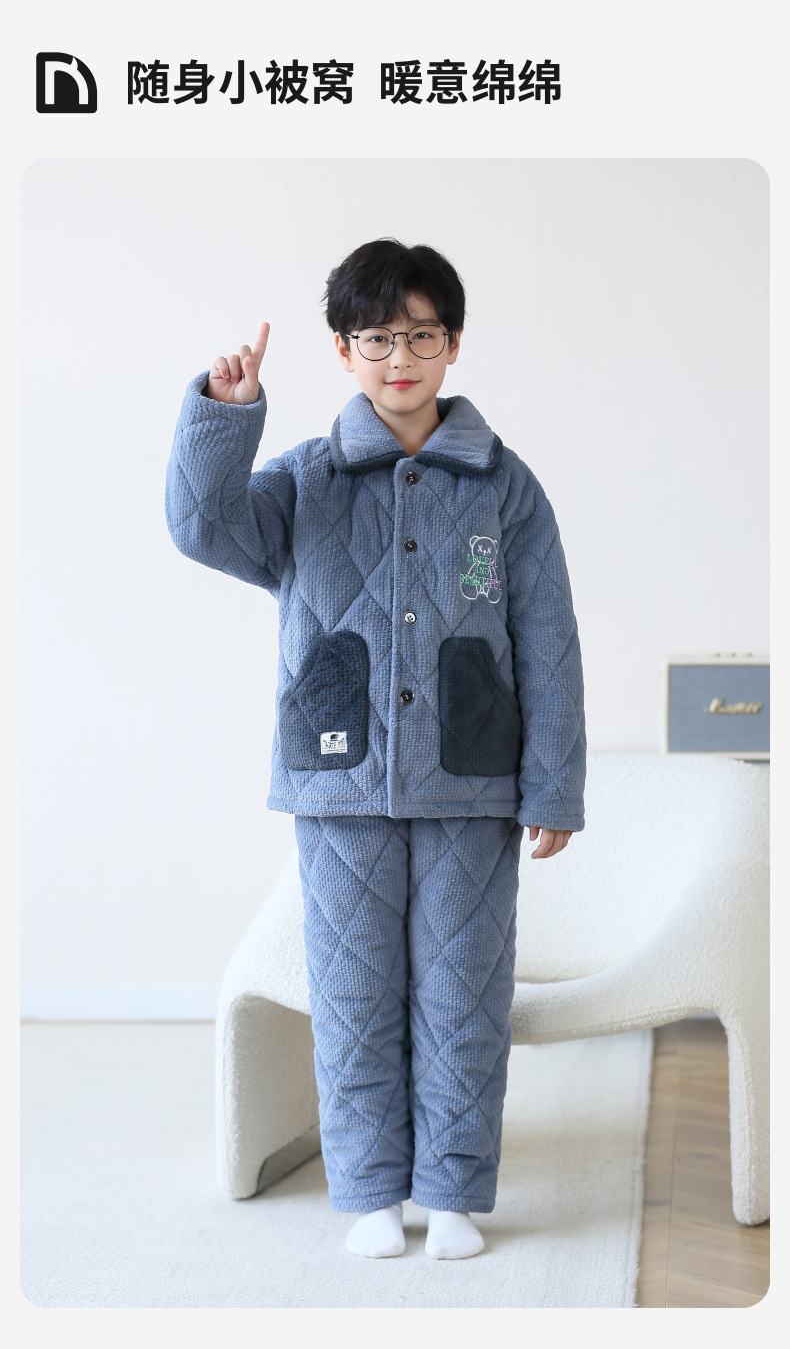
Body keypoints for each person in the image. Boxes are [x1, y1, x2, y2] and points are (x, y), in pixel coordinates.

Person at [165, 239, 586, 1260]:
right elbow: (200, 527)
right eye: (378, 337)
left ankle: (452, 1192)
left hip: (472, 785)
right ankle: (367, 1194)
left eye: (421, 336)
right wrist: (224, 418)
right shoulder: (304, 481)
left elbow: (548, 638)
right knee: (353, 998)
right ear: (343, 349)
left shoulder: (504, 486)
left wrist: (553, 788)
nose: (401, 358)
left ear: (454, 343)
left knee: (464, 994)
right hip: (339, 780)